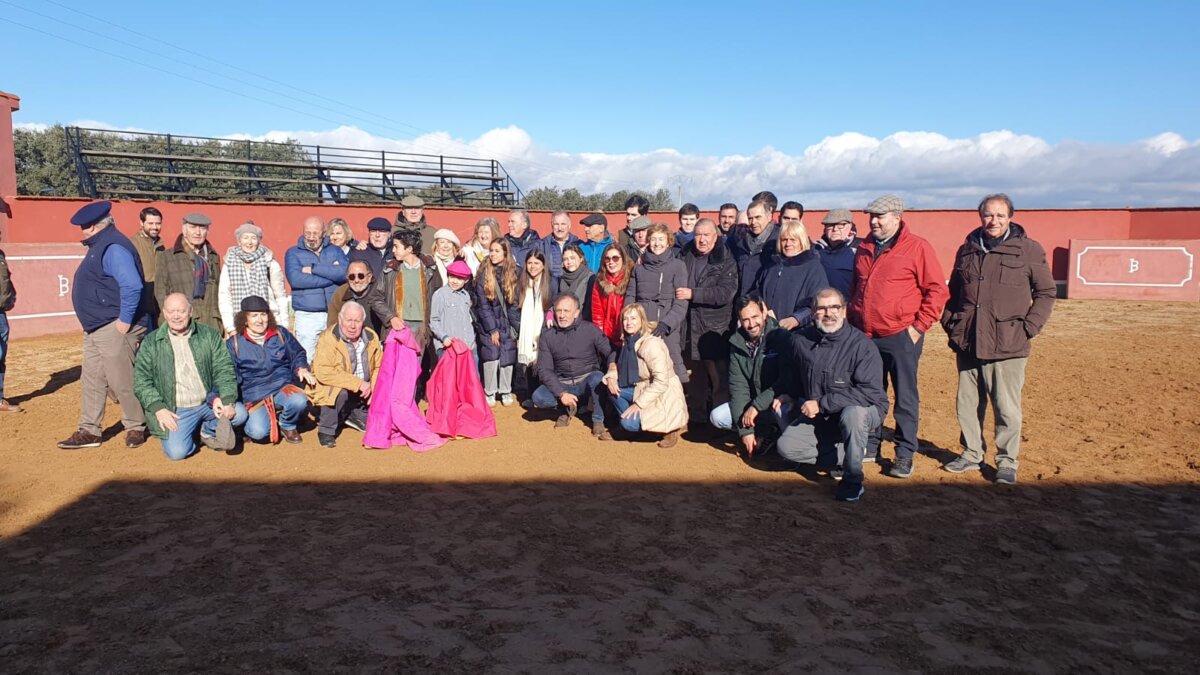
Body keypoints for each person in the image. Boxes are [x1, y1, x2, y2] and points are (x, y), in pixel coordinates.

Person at [941, 194, 1056, 485]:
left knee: (1006, 406)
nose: (994, 221)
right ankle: (971, 452)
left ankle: (1006, 460)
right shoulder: (967, 250)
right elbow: (952, 293)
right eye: (989, 215)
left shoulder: (1028, 250)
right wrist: (952, 324)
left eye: (1000, 216)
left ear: (1010, 217)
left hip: (1008, 342)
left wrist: (1029, 327)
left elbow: (1046, 292)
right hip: (968, 340)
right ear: (980, 217)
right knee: (967, 403)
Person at [848, 194, 949, 479]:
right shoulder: (865, 247)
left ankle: (904, 453)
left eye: (880, 216)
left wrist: (918, 328)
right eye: (871, 216)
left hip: (901, 335)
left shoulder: (917, 248)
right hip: (866, 336)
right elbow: (856, 288)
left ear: (897, 217)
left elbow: (937, 291)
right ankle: (871, 444)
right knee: (870, 393)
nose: (874, 221)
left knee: (905, 396)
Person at [774, 289, 888, 502]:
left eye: (835, 307)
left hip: (864, 409)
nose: (829, 313)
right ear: (813, 313)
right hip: (824, 416)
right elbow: (797, 377)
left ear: (844, 311)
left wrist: (822, 404)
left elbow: (870, 392)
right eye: (822, 309)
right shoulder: (800, 341)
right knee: (787, 447)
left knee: (853, 415)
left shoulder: (862, 346)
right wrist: (789, 394)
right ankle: (849, 451)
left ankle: (853, 479)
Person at [58, 201, 154, 450]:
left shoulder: (112, 246)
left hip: (113, 325)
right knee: (91, 379)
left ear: (92, 226)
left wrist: (123, 321)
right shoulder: (102, 245)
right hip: (97, 327)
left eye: (83, 227)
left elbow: (132, 285)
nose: (81, 231)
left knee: (121, 379)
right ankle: (90, 429)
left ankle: (136, 425)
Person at [133, 293, 240, 460]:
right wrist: (159, 408)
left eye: (181, 311)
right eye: (172, 311)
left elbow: (224, 369)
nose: (176, 316)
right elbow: (141, 381)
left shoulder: (209, 335)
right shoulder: (151, 343)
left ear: (190, 312)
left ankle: (207, 429)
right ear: (165, 313)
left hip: (209, 403)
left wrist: (225, 399)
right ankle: (193, 434)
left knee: (240, 414)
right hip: (177, 409)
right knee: (177, 453)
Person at [711, 293, 792, 456]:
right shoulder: (736, 343)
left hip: (778, 401)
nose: (751, 324)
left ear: (764, 312)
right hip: (755, 406)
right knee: (717, 417)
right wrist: (745, 432)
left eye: (755, 316)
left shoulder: (782, 338)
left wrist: (756, 406)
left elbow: (785, 381)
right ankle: (764, 433)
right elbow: (738, 387)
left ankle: (789, 449)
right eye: (745, 319)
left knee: (782, 409)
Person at [226, 295, 314, 444]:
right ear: (244, 319)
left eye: (263, 314)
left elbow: (297, 353)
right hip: (255, 395)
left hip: (282, 386)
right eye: (254, 315)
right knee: (259, 432)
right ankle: (248, 426)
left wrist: (301, 368)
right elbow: (229, 374)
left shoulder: (280, 333)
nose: (259, 320)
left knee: (300, 401)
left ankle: (287, 425)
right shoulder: (234, 343)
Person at [600, 303, 688, 448]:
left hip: (663, 393)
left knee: (628, 423)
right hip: (641, 386)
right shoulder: (627, 342)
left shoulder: (651, 344)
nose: (629, 323)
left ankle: (669, 429)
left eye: (633, 318)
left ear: (642, 320)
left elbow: (661, 382)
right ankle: (632, 427)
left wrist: (638, 404)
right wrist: (611, 376)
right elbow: (618, 365)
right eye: (625, 319)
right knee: (611, 388)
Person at [677, 218, 738, 423]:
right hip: (688, 325)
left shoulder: (726, 258)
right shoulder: (684, 254)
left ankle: (719, 422)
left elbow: (725, 293)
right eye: (698, 235)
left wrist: (693, 294)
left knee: (719, 378)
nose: (701, 240)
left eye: (706, 235)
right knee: (695, 376)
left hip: (715, 328)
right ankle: (697, 418)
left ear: (716, 236)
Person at [529, 293, 611, 434]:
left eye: (566, 311)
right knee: (539, 397)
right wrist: (561, 394)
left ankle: (598, 419)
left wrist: (613, 367)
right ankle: (565, 409)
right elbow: (545, 370)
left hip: (587, 380)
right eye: (558, 311)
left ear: (576, 313)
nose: (562, 315)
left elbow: (609, 351)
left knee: (598, 379)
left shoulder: (590, 330)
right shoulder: (548, 336)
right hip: (563, 383)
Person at [309, 301, 383, 448]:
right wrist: (358, 384)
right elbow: (323, 371)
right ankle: (326, 430)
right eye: (349, 320)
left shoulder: (371, 337)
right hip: (336, 387)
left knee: (375, 422)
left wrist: (374, 388)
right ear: (340, 319)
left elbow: (379, 366)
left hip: (363, 391)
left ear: (363, 321)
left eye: (357, 321)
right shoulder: (329, 338)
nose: (353, 326)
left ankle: (349, 413)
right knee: (339, 392)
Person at [625, 223, 688, 381]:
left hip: (667, 325)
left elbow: (681, 302)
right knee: (643, 369)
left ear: (668, 242)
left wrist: (667, 323)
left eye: (661, 239)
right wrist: (631, 320)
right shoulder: (639, 268)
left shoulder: (678, 266)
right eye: (653, 239)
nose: (657, 243)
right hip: (643, 324)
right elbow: (631, 296)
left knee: (671, 369)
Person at [285, 215, 348, 363]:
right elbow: (297, 280)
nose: (311, 237)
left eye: (315, 233)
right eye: (308, 233)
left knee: (335, 357)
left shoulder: (335, 250)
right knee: (306, 358)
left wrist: (314, 269)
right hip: (307, 315)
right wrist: (331, 278)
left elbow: (345, 273)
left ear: (323, 232)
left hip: (334, 313)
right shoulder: (293, 253)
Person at [753, 219, 828, 331]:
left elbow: (818, 302)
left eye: (793, 240)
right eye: (784, 240)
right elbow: (759, 291)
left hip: (799, 332)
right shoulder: (772, 265)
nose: (788, 244)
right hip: (768, 329)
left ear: (801, 241)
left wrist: (796, 319)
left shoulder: (813, 267)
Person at [156, 212, 223, 333]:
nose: (198, 232)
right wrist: (172, 317)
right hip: (180, 323)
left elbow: (219, 290)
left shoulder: (213, 257)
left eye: (202, 228)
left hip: (211, 322)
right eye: (193, 227)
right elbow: (160, 292)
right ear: (184, 230)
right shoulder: (168, 256)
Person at [218, 220, 288, 336]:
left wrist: (283, 326)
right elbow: (225, 297)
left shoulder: (269, 262)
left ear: (259, 241)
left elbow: (280, 296)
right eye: (245, 238)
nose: (249, 242)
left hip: (268, 323)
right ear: (239, 241)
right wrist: (230, 327)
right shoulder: (229, 263)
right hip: (239, 324)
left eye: (253, 238)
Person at [474, 238, 520, 406]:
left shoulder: (516, 273)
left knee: (508, 356)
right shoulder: (484, 274)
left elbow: (517, 303)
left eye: (497, 251)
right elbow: (483, 305)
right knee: (491, 356)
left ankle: (506, 390)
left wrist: (517, 327)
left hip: (509, 324)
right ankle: (490, 391)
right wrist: (492, 329)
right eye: (491, 250)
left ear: (505, 253)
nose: (492, 254)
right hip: (489, 325)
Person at [370, 229, 432, 344]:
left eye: (396, 246)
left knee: (416, 362)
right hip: (398, 326)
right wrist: (390, 317)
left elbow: (436, 297)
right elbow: (375, 297)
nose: (393, 250)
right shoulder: (390, 269)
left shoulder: (430, 269)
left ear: (409, 249)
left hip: (422, 327)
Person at [516, 249, 553, 398]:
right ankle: (531, 395)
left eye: (536, 263)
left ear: (543, 265)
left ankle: (543, 395)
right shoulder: (521, 284)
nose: (533, 266)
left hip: (543, 329)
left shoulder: (551, 283)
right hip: (525, 330)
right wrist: (519, 326)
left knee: (542, 362)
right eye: (529, 263)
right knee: (530, 365)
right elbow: (513, 307)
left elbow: (553, 304)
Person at [728, 198, 779, 298]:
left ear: (769, 217)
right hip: (743, 303)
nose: (753, 222)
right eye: (750, 218)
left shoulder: (778, 242)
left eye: (758, 217)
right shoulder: (742, 244)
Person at [428, 260, 477, 360]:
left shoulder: (465, 296)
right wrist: (444, 337)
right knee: (448, 375)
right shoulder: (440, 295)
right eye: (452, 276)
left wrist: (471, 340)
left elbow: (467, 321)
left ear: (466, 280)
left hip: (465, 346)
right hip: (447, 346)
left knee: (466, 375)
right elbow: (434, 320)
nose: (454, 281)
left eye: (459, 278)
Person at [591, 243, 634, 348]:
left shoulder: (631, 279)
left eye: (615, 258)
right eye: (607, 259)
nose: (611, 262)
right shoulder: (600, 282)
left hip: (628, 333)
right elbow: (597, 315)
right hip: (608, 336)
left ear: (623, 259)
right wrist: (601, 338)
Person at [813, 208, 860, 298]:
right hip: (819, 307)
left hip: (847, 308)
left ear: (850, 226)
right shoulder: (815, 251)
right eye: (830, 225)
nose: (835, 229)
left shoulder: (860, 251)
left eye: (841, 225)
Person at [327, 260, 382, 336]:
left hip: (377, 339)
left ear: (369, 277)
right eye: (352, 277)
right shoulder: (340, 293)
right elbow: (332, 323)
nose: (356, 280)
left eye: (361, 276)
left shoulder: (380, 291)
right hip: (348, 340)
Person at [132, 206, 164, 319]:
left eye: (158, 223)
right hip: (141, 300)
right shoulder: (133, 244)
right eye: (150, 223)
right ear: (141, 223)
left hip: (158, 299)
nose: (155, 227)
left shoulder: (161, 245)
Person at [0, 246, 19, 412]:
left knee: (0, 355)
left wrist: (11, 295)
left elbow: (5, 279)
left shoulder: (0, 254)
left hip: (1, 311)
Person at [556, 243, 594, 317]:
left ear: (581, 259)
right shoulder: (560, 279)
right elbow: (556, 301)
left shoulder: (590, 278)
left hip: (582, 321)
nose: (569, 262)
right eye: (565, 259)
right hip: (563, 319)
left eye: (572, 258)